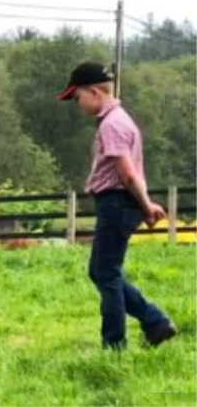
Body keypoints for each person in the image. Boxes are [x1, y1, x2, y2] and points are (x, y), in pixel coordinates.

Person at [58, 62, 177, 350]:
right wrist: (144, 204)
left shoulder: (112, 125)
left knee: (107, 274)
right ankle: (155, 322)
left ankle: (115, 343)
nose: (78, 104)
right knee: (102, 271)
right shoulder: (120, 120)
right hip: (120, 202)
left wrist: (146, 205)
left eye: (78, 97)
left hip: (116, 202)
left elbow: (127, 173)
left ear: (95, 92)